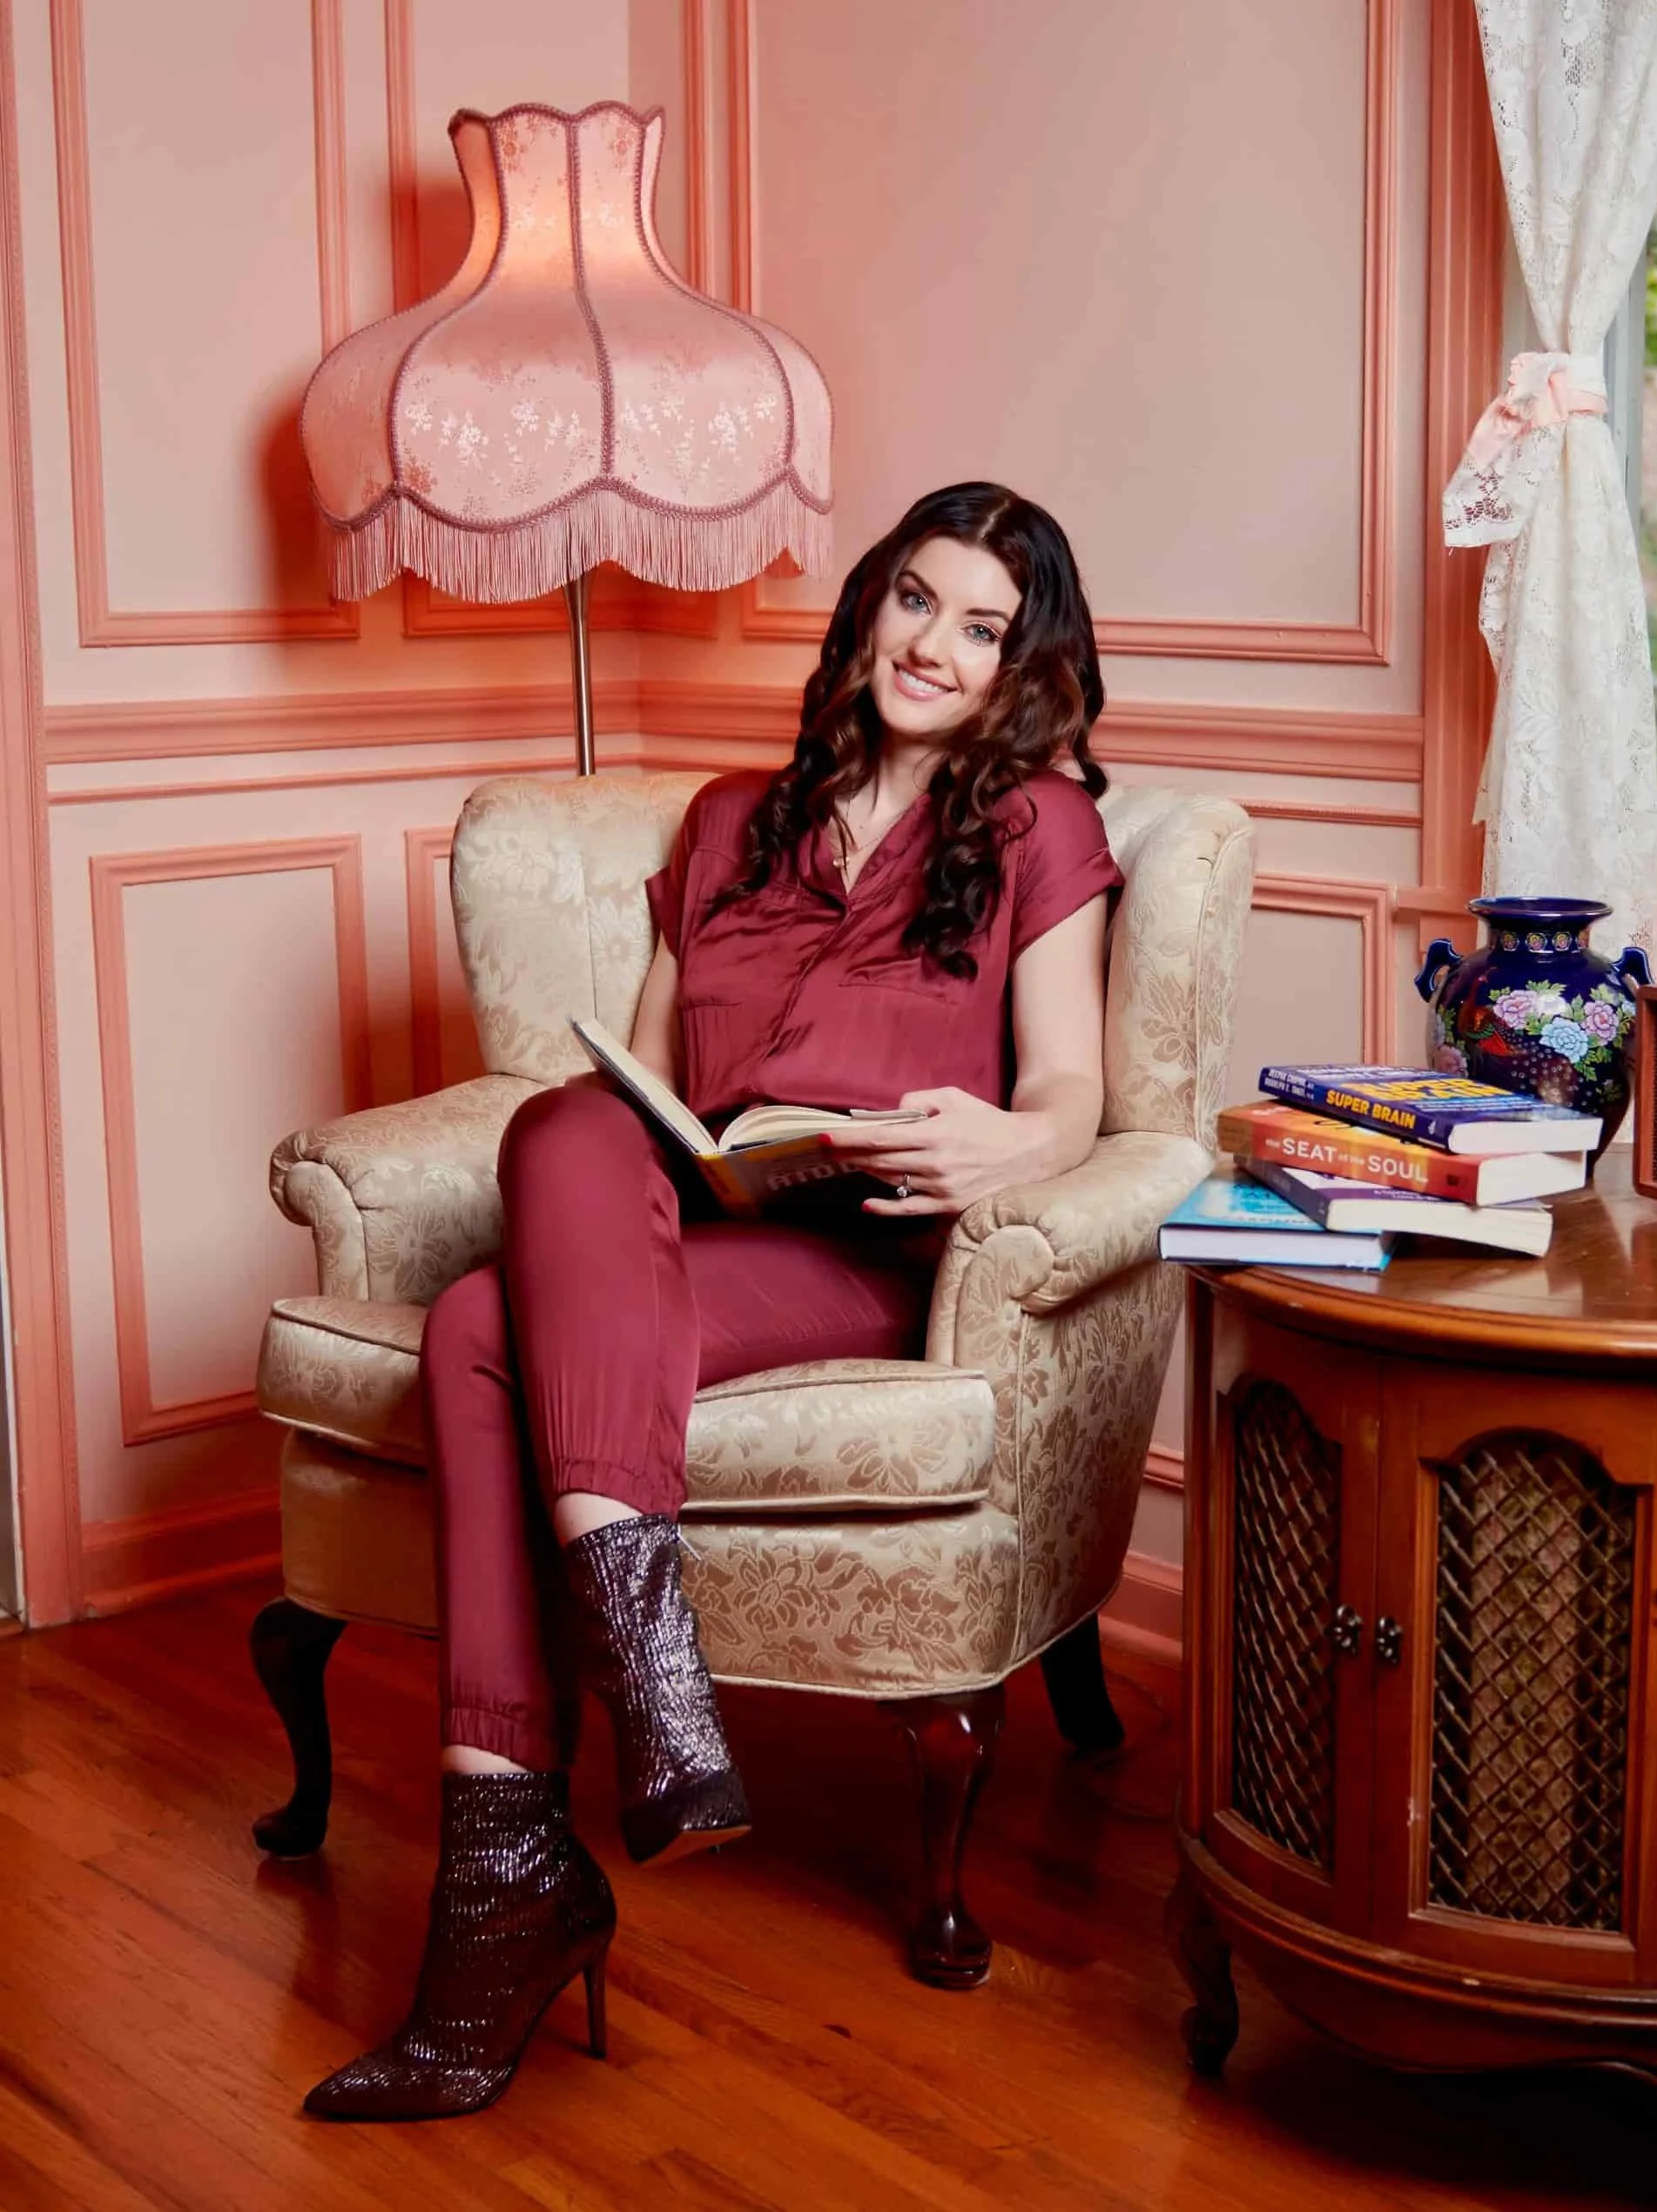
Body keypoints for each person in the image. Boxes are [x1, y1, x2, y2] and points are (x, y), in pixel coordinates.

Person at [306, 482, 1124, 2121]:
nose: (936, 646)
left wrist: (1007, 1141)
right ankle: (575, 1780)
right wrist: (659, 1135)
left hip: (864, 1247)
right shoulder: (728, 821)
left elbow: (1079, 1095)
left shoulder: (1039, 825)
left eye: (981, 627)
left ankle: (526, 1868)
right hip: (695, 1221)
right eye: (916, 600)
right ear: (868, 610)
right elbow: (644, 1080)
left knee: (482, 1324)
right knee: (548, 1157)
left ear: (1020, 666)